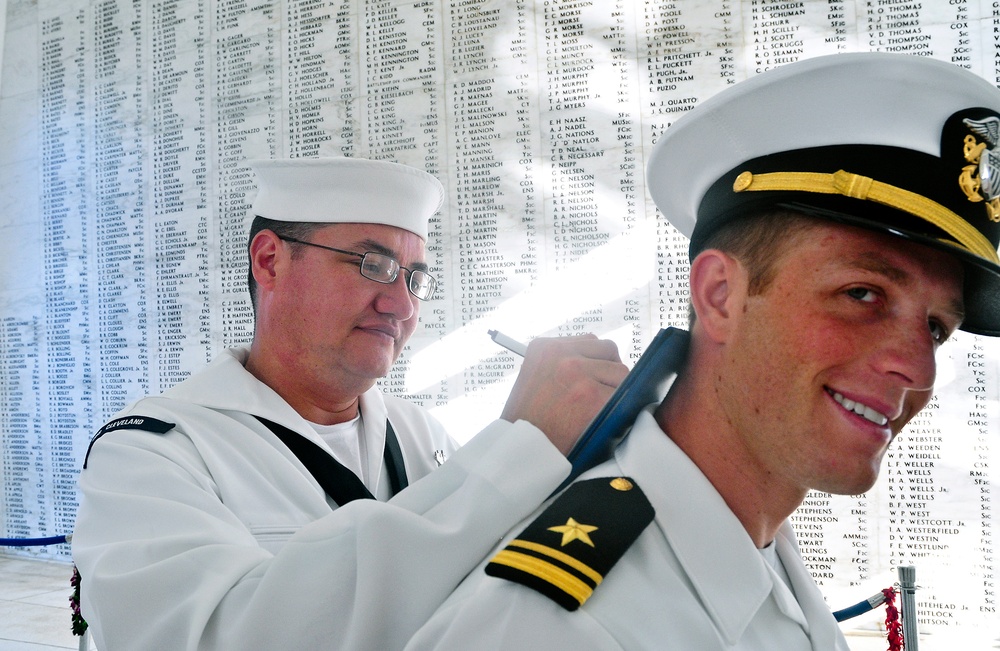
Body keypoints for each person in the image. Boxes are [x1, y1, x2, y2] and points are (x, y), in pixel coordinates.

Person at [404, 52, 1000, 650]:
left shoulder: (764, 561)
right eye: (862, 294)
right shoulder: (553, 628)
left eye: (936, 328)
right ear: (720, 296)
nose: (917, 368)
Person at [71, 157, 629, 651]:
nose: (400, 304)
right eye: (372, 265)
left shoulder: (423, 437)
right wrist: (514, 450)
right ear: (269, 262)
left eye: (414, 278)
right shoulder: (153, 454)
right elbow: (217, 637)